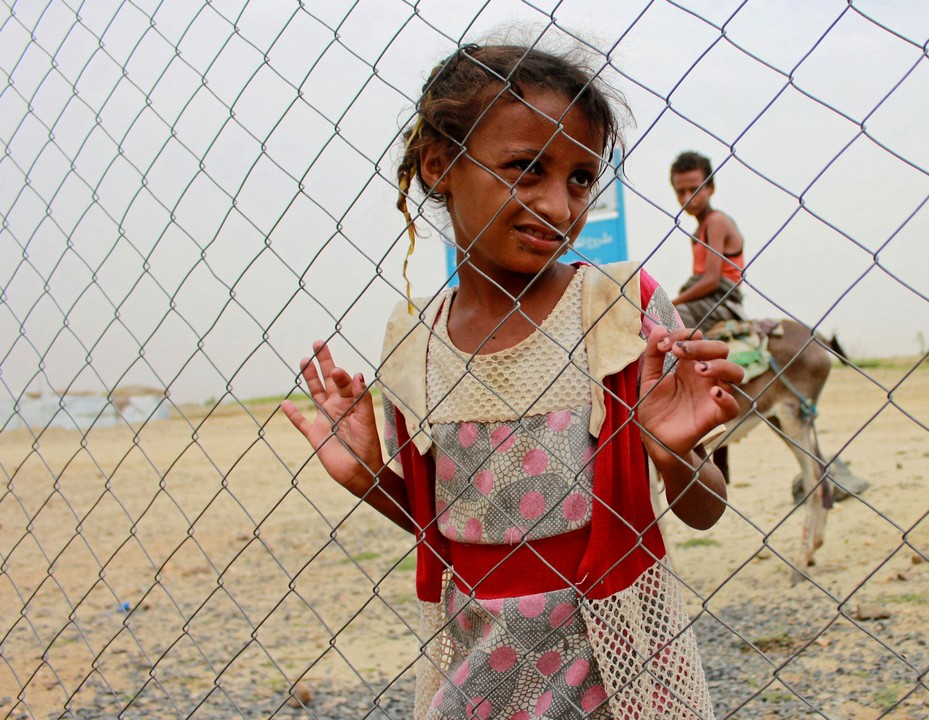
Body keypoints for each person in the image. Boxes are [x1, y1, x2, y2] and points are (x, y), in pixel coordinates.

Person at [281, 43, 743, 719]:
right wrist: (367, 479)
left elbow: (704, 508)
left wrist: (675, 457)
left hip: (617, 674)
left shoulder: (619, 312)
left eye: (582, 179)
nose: (559, 205)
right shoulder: (413, 342)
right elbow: (444, 528)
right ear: (439, 165)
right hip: (478, 681)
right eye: (526, 169)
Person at [669, 151, 749, 335]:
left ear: (710, 188)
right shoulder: (698, 232)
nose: (688, 198)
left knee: (677, 316)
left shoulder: (716, 222)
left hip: (722, 301)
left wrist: (674, 302)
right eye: (681, 192)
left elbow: (711, 281)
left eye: (695, 189)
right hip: (705, 302)